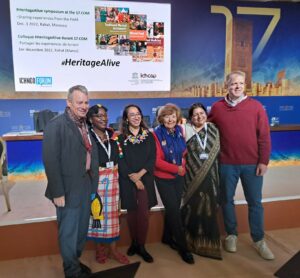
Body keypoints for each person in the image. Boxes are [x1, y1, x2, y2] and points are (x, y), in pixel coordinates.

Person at [208, 71, 275, 260]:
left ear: (244, 85)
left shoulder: (256, 107)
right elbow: (208, 132)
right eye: (233, 84)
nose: (237, 87)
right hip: (226, 164)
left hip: (252, 164)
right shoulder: (217, 108)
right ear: (226, 86)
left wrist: (263, 161)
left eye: (240, 83)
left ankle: (259, 240)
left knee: (255, 203)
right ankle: (231, 234)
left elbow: (264, 137)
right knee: (226, 201)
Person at [43, 85, 99, 278]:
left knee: (81, 231)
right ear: (68, 103)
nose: (84, 106)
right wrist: (57, 192)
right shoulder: (56, 125)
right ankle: (72, 273)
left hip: (85, 186)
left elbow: (91, 153)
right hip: (66, 190)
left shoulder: (85, 124)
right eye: (79, 102)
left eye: (86, 102)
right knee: (68, 234)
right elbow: (50, 161)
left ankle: (74, 262)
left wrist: (93, 186)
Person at [86, 104, 129, 265]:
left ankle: (113, 250)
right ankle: (100, 250)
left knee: (113, 217)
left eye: (105, 115)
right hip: (96, 182)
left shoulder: (113, 136)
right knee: (97, 216)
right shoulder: (88, 138)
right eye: (98, 116)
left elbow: (121, 158)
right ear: (90, 120)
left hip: (114, 182)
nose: (103, 118)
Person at [153, 103, 194, 264]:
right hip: (164, 178)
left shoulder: (180, 130)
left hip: (179, 176)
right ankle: (183, 247)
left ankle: (166, 237)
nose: (170, 119)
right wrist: (176, 169)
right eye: (166, 116)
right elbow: (156, 161)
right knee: (175, 213)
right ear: (161, 118)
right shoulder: (156, 134)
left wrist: (181, 166)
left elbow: (184, 152)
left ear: (177, 117)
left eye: (172, 116)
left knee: (173, 209)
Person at [181, 103, 222, 260]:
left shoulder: (214, 129)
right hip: (191, 178)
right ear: (191, 117)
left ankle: (209, 245)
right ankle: (191, 243)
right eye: (195, 114)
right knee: (192, 210)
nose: (199, 116)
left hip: (211, 177)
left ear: (206, 114)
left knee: (210, 210)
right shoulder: (185, 130)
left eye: (202, 113)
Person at [117, 104, 157, 263]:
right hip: (128, 181)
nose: (136, 117)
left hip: (144, 180)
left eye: (138, 113)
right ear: (126, 119)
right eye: (131, 114)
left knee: (143, 214)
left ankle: (141, 245)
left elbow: (152, 158)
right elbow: (120, 160)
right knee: (132, 214)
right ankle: (134, 242)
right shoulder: (120, 138)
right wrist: (132, 177)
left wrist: (140, 176)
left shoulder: (149, 136)